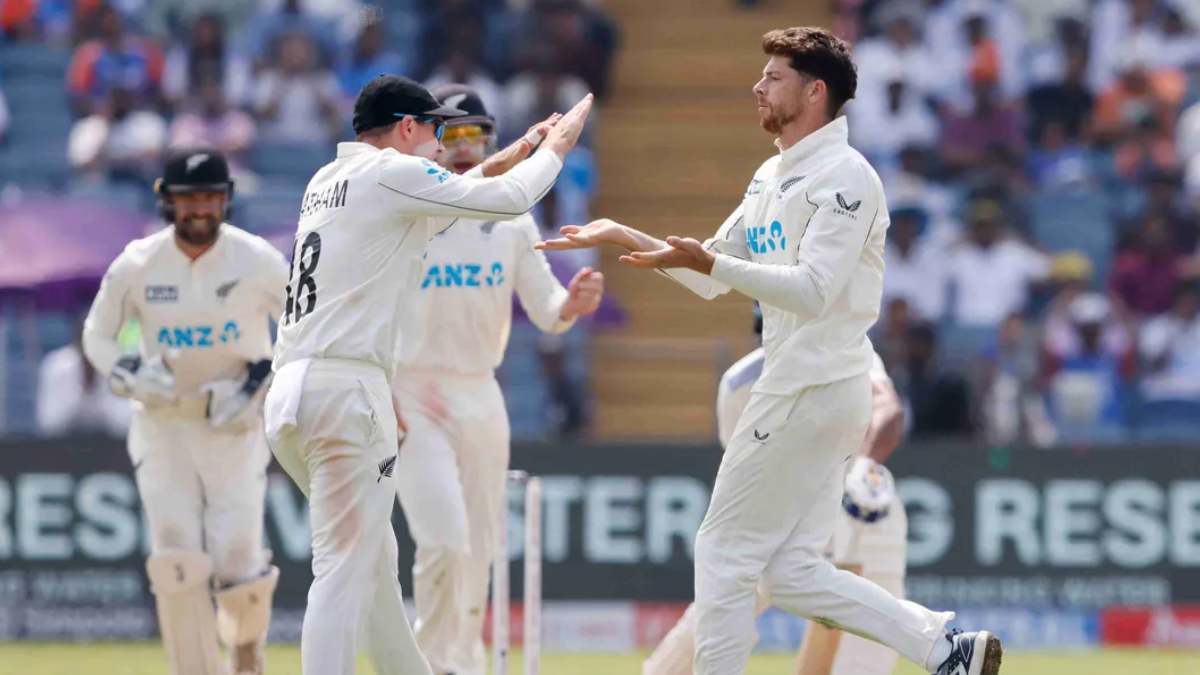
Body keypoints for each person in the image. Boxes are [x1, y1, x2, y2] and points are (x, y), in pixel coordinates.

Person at [538, 26, 1001, 675]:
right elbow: (707, 270)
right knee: (789, 571)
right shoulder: (770, 173)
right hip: (814, 393)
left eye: (774, 78)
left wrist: (713, 264)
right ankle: (942, 645)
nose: (757, 86)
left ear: (814, 92)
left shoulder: (847, 177)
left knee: (723, 549)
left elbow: (812, 290)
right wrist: (621, 234)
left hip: (809, 389)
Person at [263, 74, 591, 675]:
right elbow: (509, 202)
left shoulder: (330, 179)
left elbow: (453, 200)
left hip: (292, 390)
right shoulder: (391, 174)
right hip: (347, 391)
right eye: (434, 131)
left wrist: (516, 151)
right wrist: (557, 149)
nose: (441, 146)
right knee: (342, 564)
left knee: (376, 560)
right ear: (406, 128)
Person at [393, 83, 605, 675]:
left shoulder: (509, 221)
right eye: (450, 135)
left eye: (474, 135)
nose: (463, 147)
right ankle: (432, 662)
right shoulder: (412, 213)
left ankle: (463, 658)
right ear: (431, 142)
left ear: (489, 138)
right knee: (442, 541)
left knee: (480, 548)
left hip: (479, 393)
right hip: (412, 391)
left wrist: (576, 303)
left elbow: (547, 311)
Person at [81, 147, 289, 675]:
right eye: (188, 199)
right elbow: (96, 335)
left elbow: (301, 325)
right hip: (164, 423)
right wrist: (128, 372)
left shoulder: (257, 259)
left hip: (234, 426)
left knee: (238, 559)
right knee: (175, 559)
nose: (199, 210)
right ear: (166, 203)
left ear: (227, 201)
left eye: (210, 198)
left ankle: (245, 654)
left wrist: (260, 380)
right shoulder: (138, 263)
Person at [643, 311, 910, 675]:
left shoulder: (851, 355)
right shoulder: (738, 385)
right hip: (778, 518)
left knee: (865, 659)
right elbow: (743, 476)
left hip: (861, 513)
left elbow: (889, 412)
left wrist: (863, 466)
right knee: (711, 619)